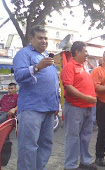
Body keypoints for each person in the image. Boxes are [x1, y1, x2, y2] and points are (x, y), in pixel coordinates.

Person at [13, 25, 59, 170]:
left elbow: (53, 81)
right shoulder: (23, 54)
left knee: (46, 144)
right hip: (31, 108)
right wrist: (36, 67)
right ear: (31, 38)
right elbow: (18, 75)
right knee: (28, 147)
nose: (44, 41)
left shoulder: (46, 55)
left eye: (46, 38)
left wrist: (56, 104)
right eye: (40, 38)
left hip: (49, 108)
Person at [61, 41, 97, 170]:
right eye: (85, 51)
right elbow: (68, 86)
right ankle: (70, 166)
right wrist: (86, 97)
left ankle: (85, 162)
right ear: (77, 52)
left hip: (88, 107)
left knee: (85, 136)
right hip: (75, 107)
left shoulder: (84, 66)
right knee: (72, 137)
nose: (87, 54)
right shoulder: (70, 66)